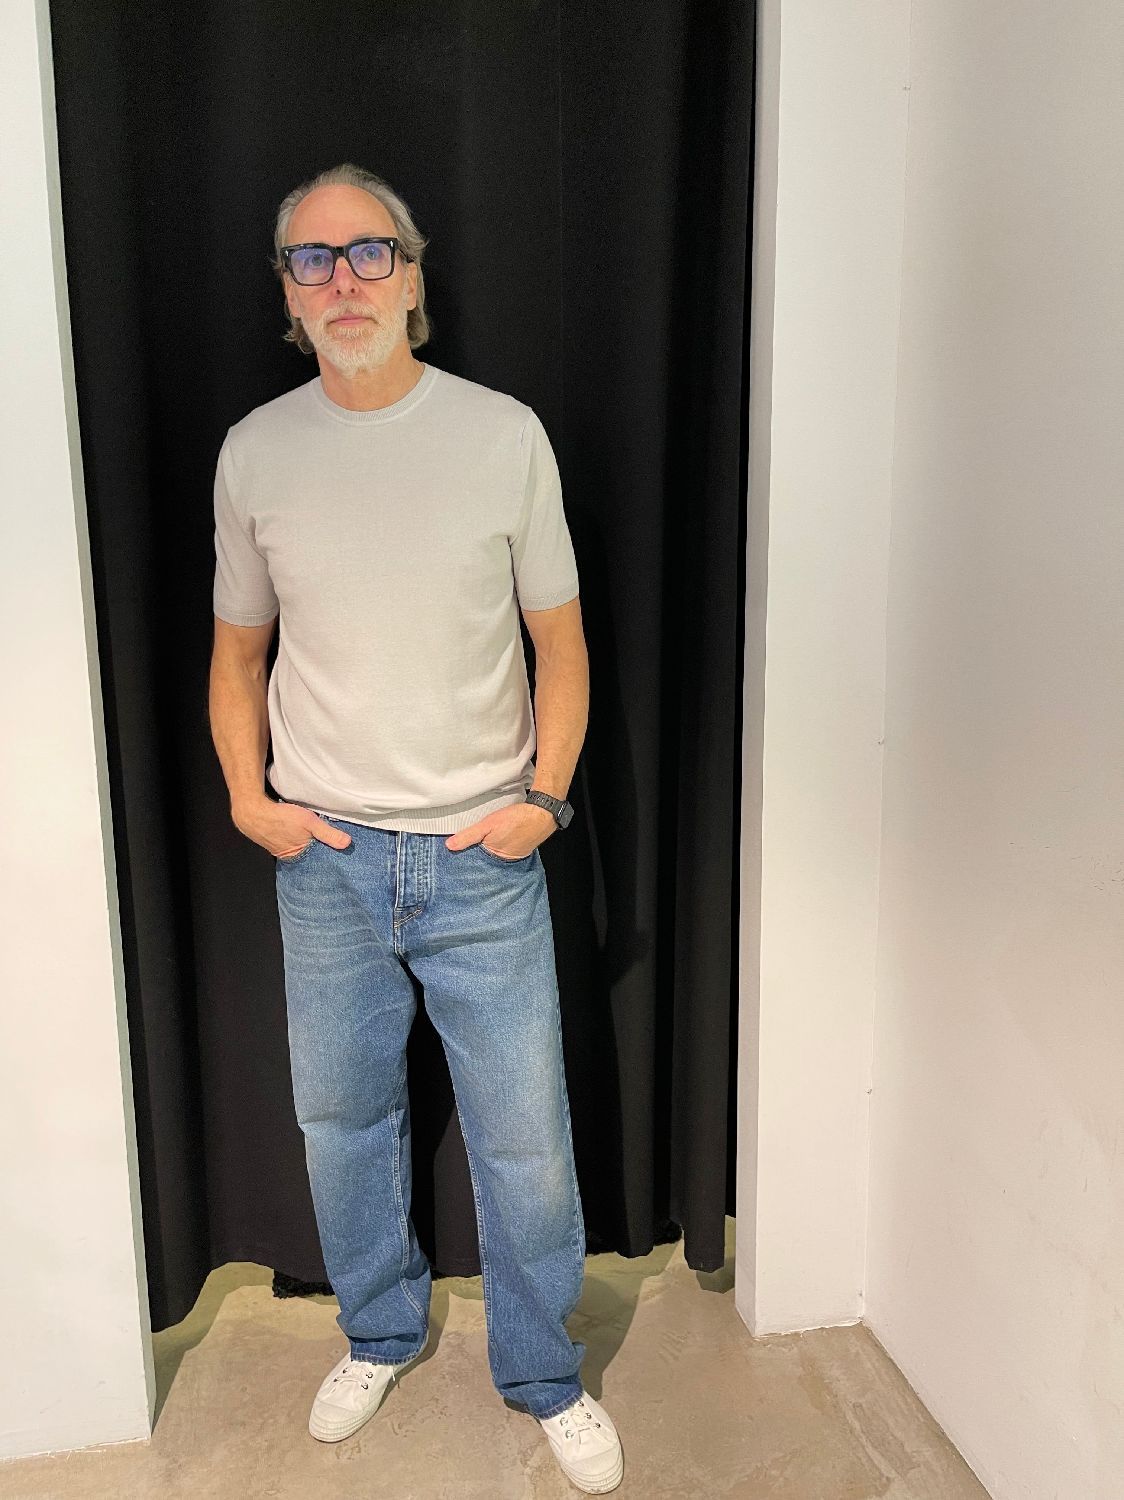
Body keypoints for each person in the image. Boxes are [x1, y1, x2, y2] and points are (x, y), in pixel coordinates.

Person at [207, 162, 623, 1494]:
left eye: (368, 253)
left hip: (477, 856)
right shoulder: (256, 451)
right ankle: (378, 1334)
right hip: (326, 858)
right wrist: (249, 799)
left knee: (525, 1138)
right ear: (288, 294)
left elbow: (562, 643)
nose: (343, 281)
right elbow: (236, 653)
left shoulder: (503, 436)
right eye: (312, 260)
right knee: (343, 1122)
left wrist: (544, 797)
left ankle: (545, 1373)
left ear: (414, 276)